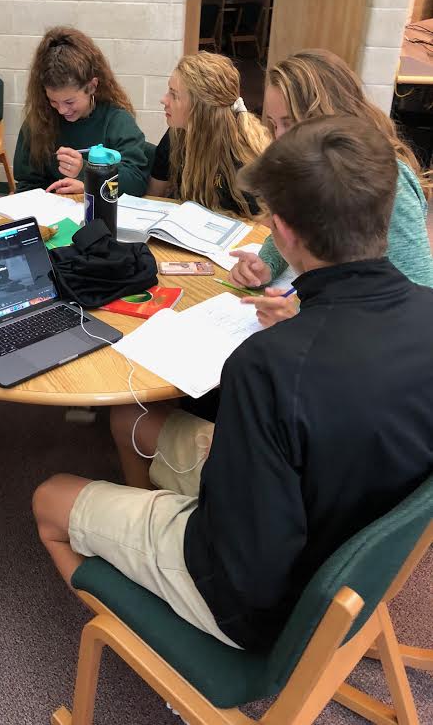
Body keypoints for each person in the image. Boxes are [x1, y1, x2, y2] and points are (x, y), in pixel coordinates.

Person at [32, 115, 433, 652]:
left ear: (283, 231)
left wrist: (200, 490)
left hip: (258, 600)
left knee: (49, 498)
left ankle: (172, 656)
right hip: (343, 535)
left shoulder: (270, 363)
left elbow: (241, 556)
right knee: (133, 422)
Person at [229, 49, 433, 326]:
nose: (278, 137)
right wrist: (266, 265)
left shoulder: (386, 181)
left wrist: (304, 321)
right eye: (273, 124)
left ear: (328, 115)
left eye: (289, 123)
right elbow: (295, 224)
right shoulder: (309, 163)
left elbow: (419, 296)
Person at [13, 26, 150, 197]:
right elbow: (26, 183)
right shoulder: (40, 120)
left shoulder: (116, 121)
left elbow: (136, 182)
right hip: (52, 215)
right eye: (53, 101)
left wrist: (88, 174)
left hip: (101, 215)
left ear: (92, 86)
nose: (62, 110)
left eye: (69, 101)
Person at [148, 51, 269, 217]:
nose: (164, 99)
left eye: (174, 95)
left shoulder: (244, 159)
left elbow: (262, 228)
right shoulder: (176, 135)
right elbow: (153, 199)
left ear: (201, 110)